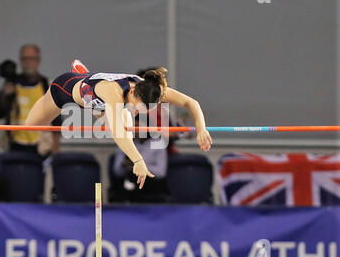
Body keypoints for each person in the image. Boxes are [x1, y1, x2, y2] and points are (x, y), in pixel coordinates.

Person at [26, 62, 213, 189]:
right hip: (65, 90)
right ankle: (81, 76)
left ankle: (86, 78)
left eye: (142, 111)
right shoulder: (114, 92)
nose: (137, 111)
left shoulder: (154, 91)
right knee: (31, 127)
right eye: (136, 107)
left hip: (95, 99)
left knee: (126, 125)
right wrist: (138, 161)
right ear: (132, 91)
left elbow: (191, 102)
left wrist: (201, 127)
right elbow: (117, 132)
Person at [0, 44, 61, 155]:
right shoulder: (11, 84)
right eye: (25, 59)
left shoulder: (47, 86)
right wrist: (5, 96)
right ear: (20, 61)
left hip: (41, 147)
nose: (28, 62)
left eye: (32, 58)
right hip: (14, 145)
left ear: (38, 61)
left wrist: (56, 149)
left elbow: (57, 121)